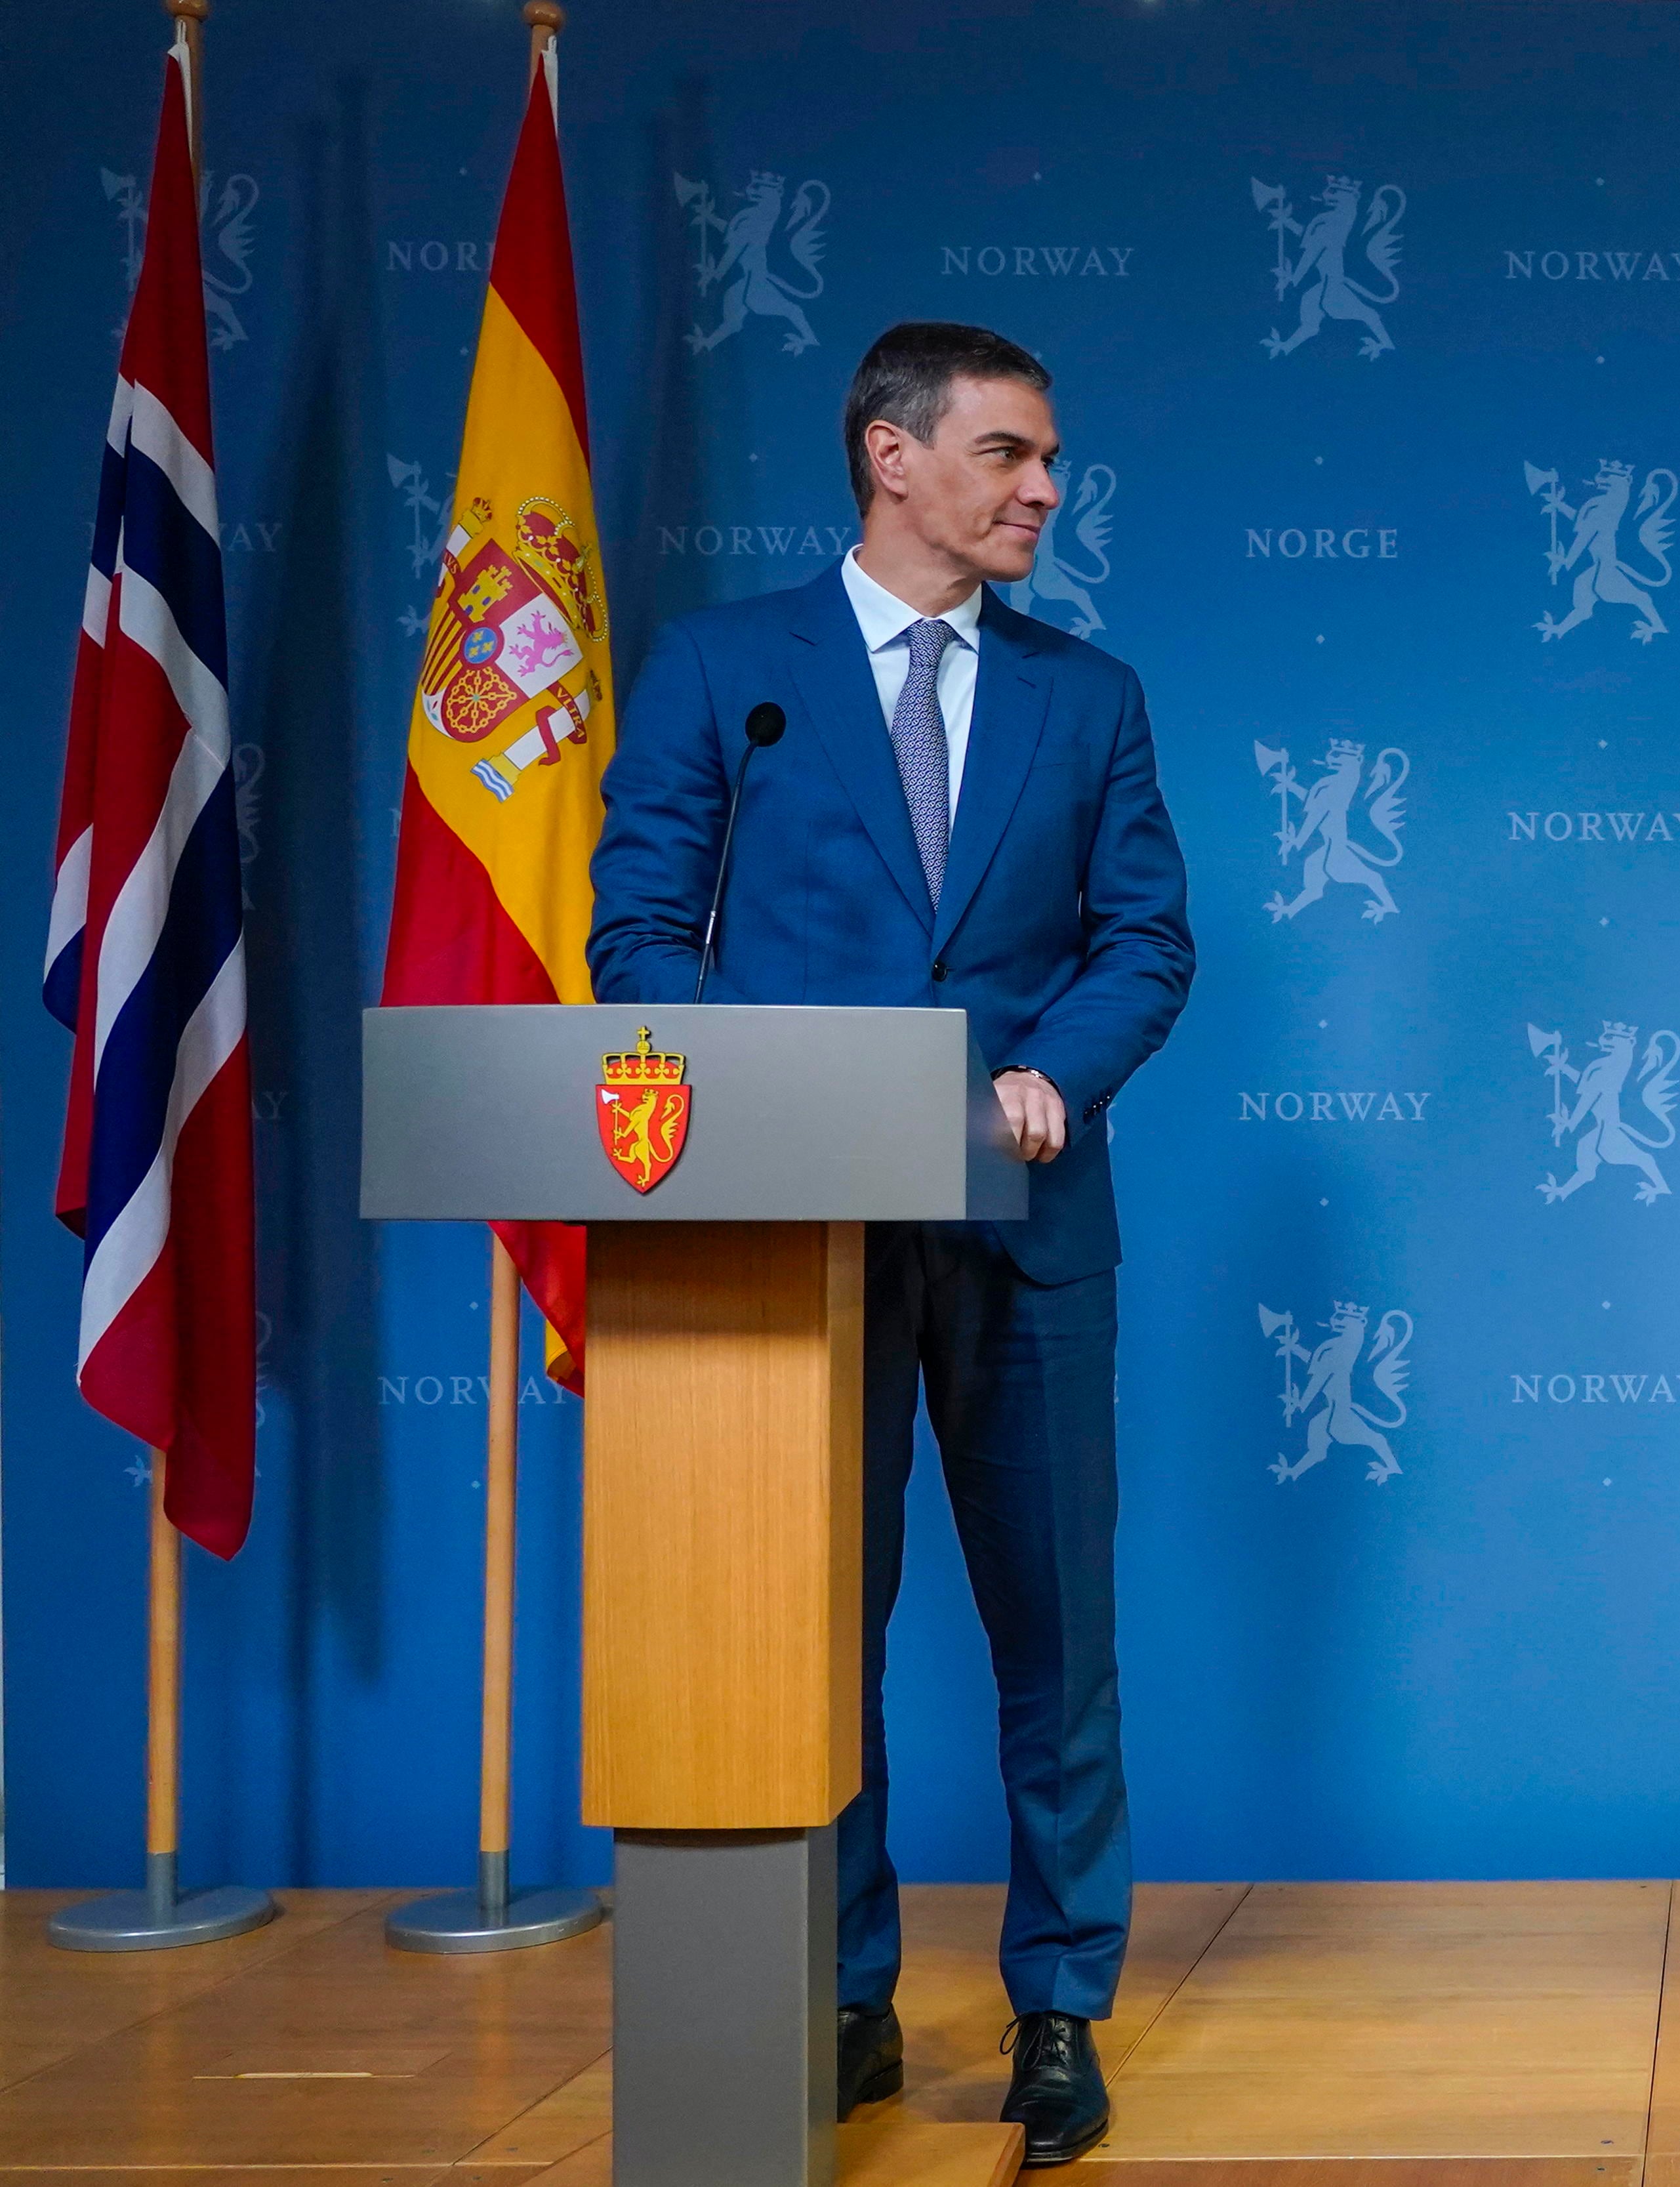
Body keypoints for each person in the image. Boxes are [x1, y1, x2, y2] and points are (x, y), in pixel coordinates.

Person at [590, 321, 1193, 2166]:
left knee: (1056, 1641)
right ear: (892, 456)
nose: (1044, 490)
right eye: (1012, 455)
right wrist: (732, 1097)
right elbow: (637, 933)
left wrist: (1052, 1076)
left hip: (1025, 1232)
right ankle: (838, 1993)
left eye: (1051, 460)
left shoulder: (1087, 695)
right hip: (793, 1242)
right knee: (801, 1639)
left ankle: (1061, 2009)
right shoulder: (726, 670)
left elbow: (1145, 943)